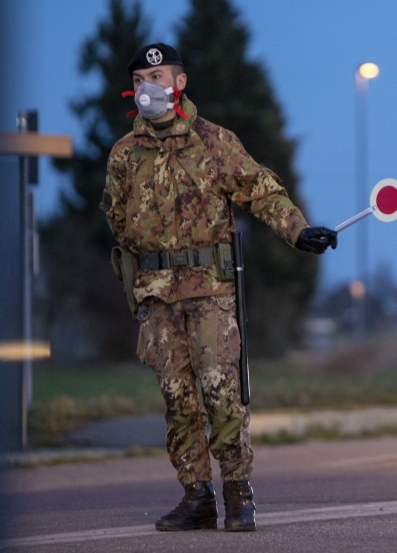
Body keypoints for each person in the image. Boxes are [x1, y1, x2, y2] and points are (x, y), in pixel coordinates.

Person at [101, 43, 338, 532]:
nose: (150, 87)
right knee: (177, 398)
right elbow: (117, 220)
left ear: (179, 84)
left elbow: (262, 189)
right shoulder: (125, 154)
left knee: (221, 392)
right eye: (142, 79)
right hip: (157, 295)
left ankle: (238, 492)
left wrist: (297, 231)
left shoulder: (213, 142)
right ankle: (197, 495)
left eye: (159, 76)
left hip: (209, 291)